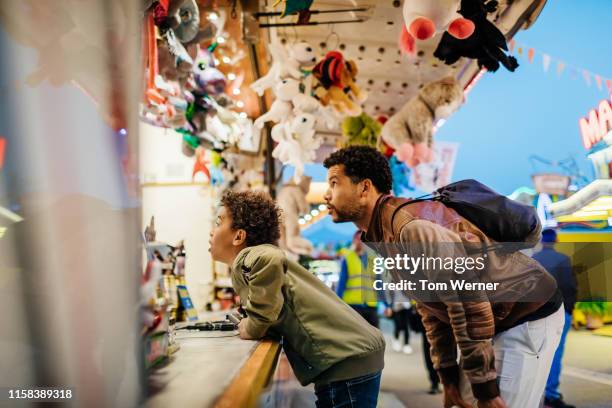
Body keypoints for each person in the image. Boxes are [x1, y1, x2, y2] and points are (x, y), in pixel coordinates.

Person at [322, 145, 564, 408]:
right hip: (494, 318)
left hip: (527, 311)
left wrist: (485, 388)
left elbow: (466, 301)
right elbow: (432, 309)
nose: (326, 195)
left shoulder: (410, 228)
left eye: (334, 183)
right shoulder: (387, 233)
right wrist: (448, 378)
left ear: (364, 188)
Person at [209, 190, 386, 408]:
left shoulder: (252, 256)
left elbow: (270, 258)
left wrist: (251, 325)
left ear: (239, 236)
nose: (211, 231)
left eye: (219, 222)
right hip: (350, 356)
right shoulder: (252, 262)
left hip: (344, 362)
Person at [533, 229, 577, 408]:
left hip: (534, 316)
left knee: (535, 354)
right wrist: (570, 310)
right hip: (558, 313)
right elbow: (570, 287)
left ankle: (535, 395)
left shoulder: (533, 260)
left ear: (541, 241)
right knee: (555, 354)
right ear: (556, 240)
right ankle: (551, 396)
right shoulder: (563, 260)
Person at [336, 231, 380, 328]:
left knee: (375, 337)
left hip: (371, 305)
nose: (360, 242)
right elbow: (341, 283)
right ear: (353, 241)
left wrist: (387, 305)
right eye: (357, 239)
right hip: (353, 304)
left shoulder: (373, 259)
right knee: (356, 337)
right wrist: (337, 302)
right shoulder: (348, 258)